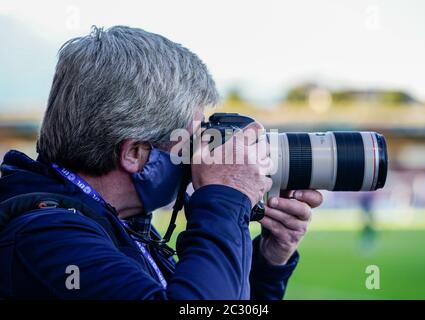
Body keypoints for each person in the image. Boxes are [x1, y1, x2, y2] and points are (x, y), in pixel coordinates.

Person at [0, 26, 322, 299]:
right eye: (192, 138)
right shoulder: (48, 238)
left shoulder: (118, 224)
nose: (200, 154)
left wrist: (267, 262)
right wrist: (224, 201)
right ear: (135, 154)